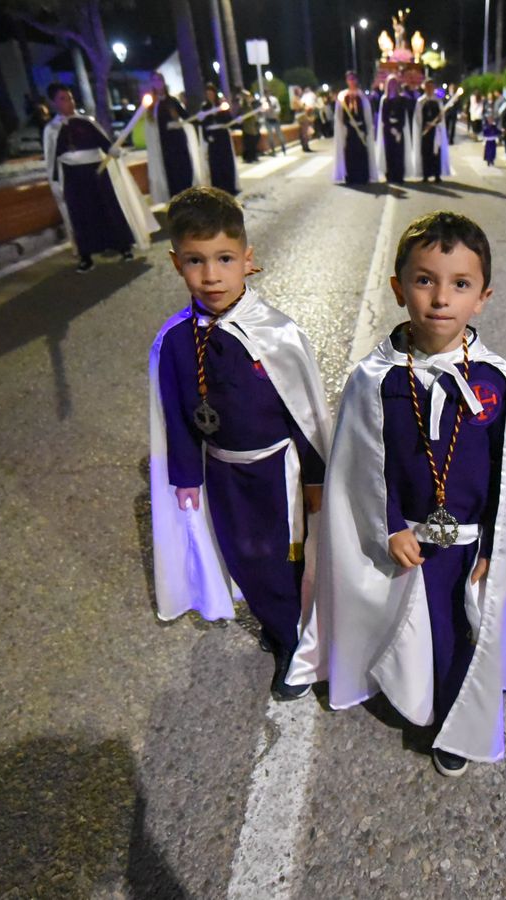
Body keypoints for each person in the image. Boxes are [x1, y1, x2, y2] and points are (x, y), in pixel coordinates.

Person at [287, 211, 506, 778]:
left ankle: (454, 724)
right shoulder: (374, 378)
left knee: (457, 635)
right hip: (404, 541)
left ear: (483, 296)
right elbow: (359, 467)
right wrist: (391, 525)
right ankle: (403, 694)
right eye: (424, 280)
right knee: (406, 630)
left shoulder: (498, 380)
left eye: (460, 284)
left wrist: (491, 548)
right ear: (399, 289)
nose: (441, 298)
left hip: (467, 546)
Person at [149, 186, 331, 701]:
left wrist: (316, 476)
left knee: (287, 557)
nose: (211, 275)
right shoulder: (177, 341)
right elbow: (175, 414)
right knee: (244, 556)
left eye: (225, 259)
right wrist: (186, 475)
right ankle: (282, 631)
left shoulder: (277, 334)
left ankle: (297, 639)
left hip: (279, 472)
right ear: (175, 262)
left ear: (247, 260)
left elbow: (307, 414)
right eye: (195, 261)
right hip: (223, 473)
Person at [42, 83, 156, 273]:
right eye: (63, 99)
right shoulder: (52, 130)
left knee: (108, 209)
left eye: (70, 97)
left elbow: (104, 143)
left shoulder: (86, 122)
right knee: (81, 216)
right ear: (54, 103)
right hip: (73, 177)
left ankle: (123, 246)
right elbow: (52, 159)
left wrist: (112, 149)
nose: (69, 102)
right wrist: (56, 183)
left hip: (97, 173)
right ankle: (85, 256)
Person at [145, 77, 206, 203]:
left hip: (178, 141)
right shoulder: (152, 105)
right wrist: (165, 126)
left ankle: (189, 197)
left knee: (184, 169)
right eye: (155, 81)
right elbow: (152, 127)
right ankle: (176, 200)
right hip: (165, 146)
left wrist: (197, 117)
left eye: (159, 80)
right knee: (171, 173)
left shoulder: (172, 101)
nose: (158, 83)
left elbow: (185, 116)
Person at [333, 71, 380, 185]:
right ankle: (351, 176)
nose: (352, 81)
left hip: (361, 129)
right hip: (349, 130)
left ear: (356, 80)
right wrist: (346, 125)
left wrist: (365, 128)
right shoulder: (343, 96)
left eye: (353, 79)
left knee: (361, 152)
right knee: (350, 152)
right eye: (349, 79)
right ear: (346, 81)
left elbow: (367, 114)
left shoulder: (362, 96)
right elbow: (339, 115)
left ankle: (363, 176)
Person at [197, 83, 239, 195]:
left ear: (215, 93)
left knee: (226, 161)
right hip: (212, 137)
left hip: (222, 135)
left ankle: (229, 186)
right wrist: (207, 136)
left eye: (211, 93)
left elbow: (228, 120)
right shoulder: (205, 107)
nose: (210, 95)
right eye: (208, 94)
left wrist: (236, 120)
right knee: (215, 163)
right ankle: (218, 188)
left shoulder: (221, 105)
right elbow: (203, 124)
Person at [412, 81, 452, 183]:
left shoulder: (437, 100)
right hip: (425, 131)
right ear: (424, 88)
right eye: (427, 87)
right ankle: (426, 174)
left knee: (436, 152)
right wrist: (424, 126)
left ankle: (437, 175)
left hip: (435, 131)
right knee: (425, 152)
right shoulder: (421, 101)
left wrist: (436, 123)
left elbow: (441, 116)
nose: (429, 89)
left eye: (431, 87)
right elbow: (418, 117)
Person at [376, 76, 413, 184]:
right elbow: (383, 117)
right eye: (390, 83)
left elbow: (404, 115)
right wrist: (390, 128)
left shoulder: (401, 99)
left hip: (399, 129)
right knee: (389, 153)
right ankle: (390, 175)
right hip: (388, 130)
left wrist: (398, 129)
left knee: (399, 153)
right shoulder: (385, 99)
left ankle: (399, 175)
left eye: (394, 83)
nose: (392, 86)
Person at [239, 90, 262, 164]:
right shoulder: (244, 106)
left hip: (253, 126)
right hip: (247, 127)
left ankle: (254, 155)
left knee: (254, 142)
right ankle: (249, 157)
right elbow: (244, 115)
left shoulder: (252, 105)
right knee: (249, 143)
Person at [261, 92, 287, 156]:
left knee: (279, 134)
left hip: (275, 119)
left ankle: (283, 148)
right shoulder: (263, 100)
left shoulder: (274, 99)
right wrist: (265, 111)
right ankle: (273, 150)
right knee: (270, 136)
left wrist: (273, 111)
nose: (266, 95)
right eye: (265, 94)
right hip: (268, 120)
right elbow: (262, 110)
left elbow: (278, 109)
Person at [297, 85, 318, 152]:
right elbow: (310, 106)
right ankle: (305, 146)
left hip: (304, 115)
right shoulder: (310, 95)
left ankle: (305, 145)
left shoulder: (303, 97)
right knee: (305, 132)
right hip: (304, 116)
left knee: (305, 132)